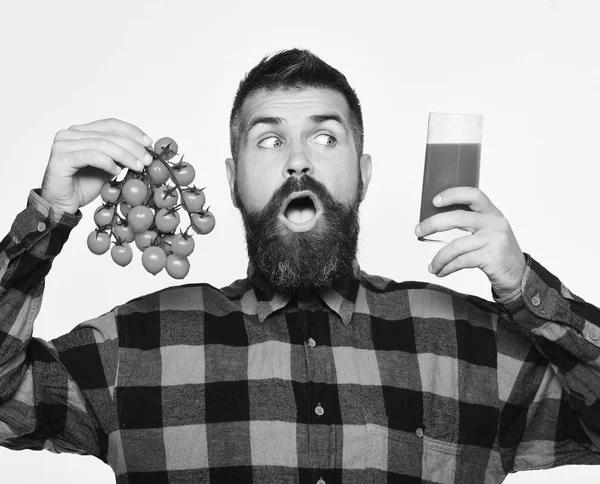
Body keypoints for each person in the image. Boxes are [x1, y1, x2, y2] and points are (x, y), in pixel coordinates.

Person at [0, 48, 599, 484]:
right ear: (233, 182)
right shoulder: (133, 347)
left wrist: (528, 291)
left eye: (325, 139)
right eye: (268, 140)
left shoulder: (473, 344)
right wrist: (48, 215)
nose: (296, 162)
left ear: (364, 174)